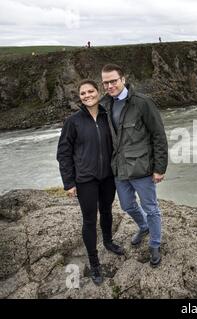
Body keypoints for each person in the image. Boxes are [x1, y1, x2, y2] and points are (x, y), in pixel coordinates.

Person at [57, 79, 125, 285]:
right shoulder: (73, 121)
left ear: (98, 92)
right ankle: (94, 262)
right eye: (83, 93)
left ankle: (108, 242)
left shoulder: (108, 115)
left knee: (107, 211)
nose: (87, 95)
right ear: (80, 97)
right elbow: (63, 153)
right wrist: (69, 183)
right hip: (85, 179)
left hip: (107, 177)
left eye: (91, 91)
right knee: (89, 220)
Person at [100, 63, 168, 267]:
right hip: (119, 169)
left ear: (123, 79)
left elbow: (158, 135)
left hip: (142, 167)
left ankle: (155, 244)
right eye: (106, 83)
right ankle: (143, 227)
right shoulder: (106, 104)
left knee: (151, 208)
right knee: (127, 205)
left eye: (113, 81)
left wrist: (159, 168)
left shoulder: (142, 102)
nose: (110, 86)